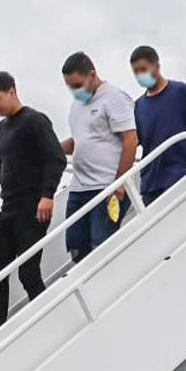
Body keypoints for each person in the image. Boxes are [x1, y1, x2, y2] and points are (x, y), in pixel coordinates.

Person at [0, 71, 66, 334]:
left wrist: (47, 195)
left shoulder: (35, 121)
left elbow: (56, 159)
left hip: (34, 209)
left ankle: (50, 322)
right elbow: (0, 165)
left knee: (28, 271)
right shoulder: (2, 128)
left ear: (12, 91)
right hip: (9, 210)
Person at [58, 52, 137, 263]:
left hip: (106, 187)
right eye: (70, 86)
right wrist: (52, 149)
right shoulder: (76, 106)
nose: (74, 91)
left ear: (92, 75)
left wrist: (120, 182)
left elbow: (130, 139)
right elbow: (79, 141)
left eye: (77, 85)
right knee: (76, 246)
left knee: (101, 247)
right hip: (79, 188)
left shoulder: (115, 98)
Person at [129, 46, 186, 205]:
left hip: (179, 173)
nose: (140, 75)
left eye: (143, 69)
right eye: (136, 72)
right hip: (151, 181)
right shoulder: (138, 106)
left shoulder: (181, 91)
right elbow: (133, 141)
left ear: (156, 66)